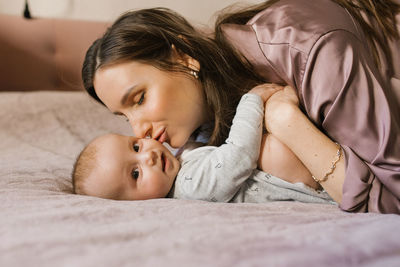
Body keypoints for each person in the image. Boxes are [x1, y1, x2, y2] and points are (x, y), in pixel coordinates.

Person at [82, 0, 400, 213]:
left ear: (183, 56)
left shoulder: (310, 49)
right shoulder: (206, 126)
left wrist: (286, 119)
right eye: (125, 118)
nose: (141, 131)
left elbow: (391, 199)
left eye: (139, 99)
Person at [72, 91, 333, 204]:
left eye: (136, 146)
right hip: (317, 185)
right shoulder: (188, 185)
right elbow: (237, 156)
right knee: (269, 145)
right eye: (135, 174)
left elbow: (207, 144)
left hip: (313, 160)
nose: (148, 157)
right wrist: (251, 101)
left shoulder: (179, 162)